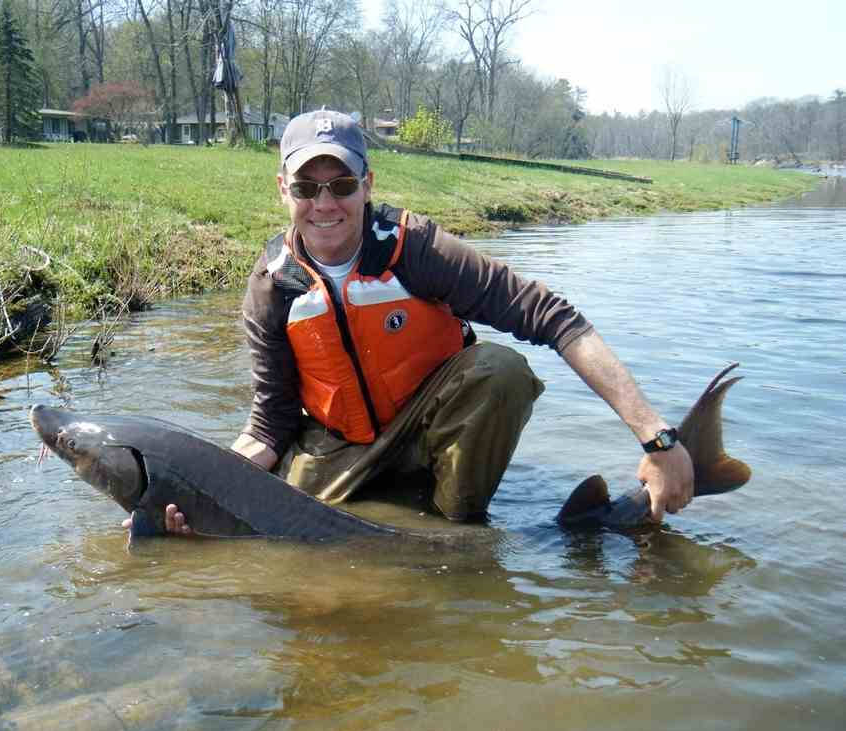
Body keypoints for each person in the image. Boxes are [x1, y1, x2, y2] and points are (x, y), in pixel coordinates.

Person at [140, 109, 694, 536]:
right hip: (339, 447)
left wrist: (657, 438)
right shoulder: (272, 286)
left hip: (430, 428)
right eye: (307, 187)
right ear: (284, 190)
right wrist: (194, 498)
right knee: (287, 533)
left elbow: (551, 316)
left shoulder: (417, 250)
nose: (325, 203)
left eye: (343, 185)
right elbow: (268, 425)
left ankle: (460, 525)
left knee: (498, 369)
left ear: (368, 184)